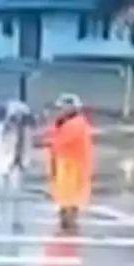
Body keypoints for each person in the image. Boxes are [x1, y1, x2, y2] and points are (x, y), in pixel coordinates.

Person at [42, 93, 94, 230]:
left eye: (64, 107)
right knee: (64, 197)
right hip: (64, 165)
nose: (61, 110)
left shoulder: (77, 123)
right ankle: (66, 220)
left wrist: (44, 141)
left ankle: (69, 222)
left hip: (73, 166)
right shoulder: (63, 122)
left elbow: (59, 140)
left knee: (70, 198)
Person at [0, 100, 35, 195]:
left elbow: (27, 145)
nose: (18, 117)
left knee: (15, 190)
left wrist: (25, 161)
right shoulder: (3, 128)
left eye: (20, 115)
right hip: (5, 159)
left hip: (18, 162)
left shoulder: (25, 129)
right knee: (2, 187)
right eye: (16, 115)